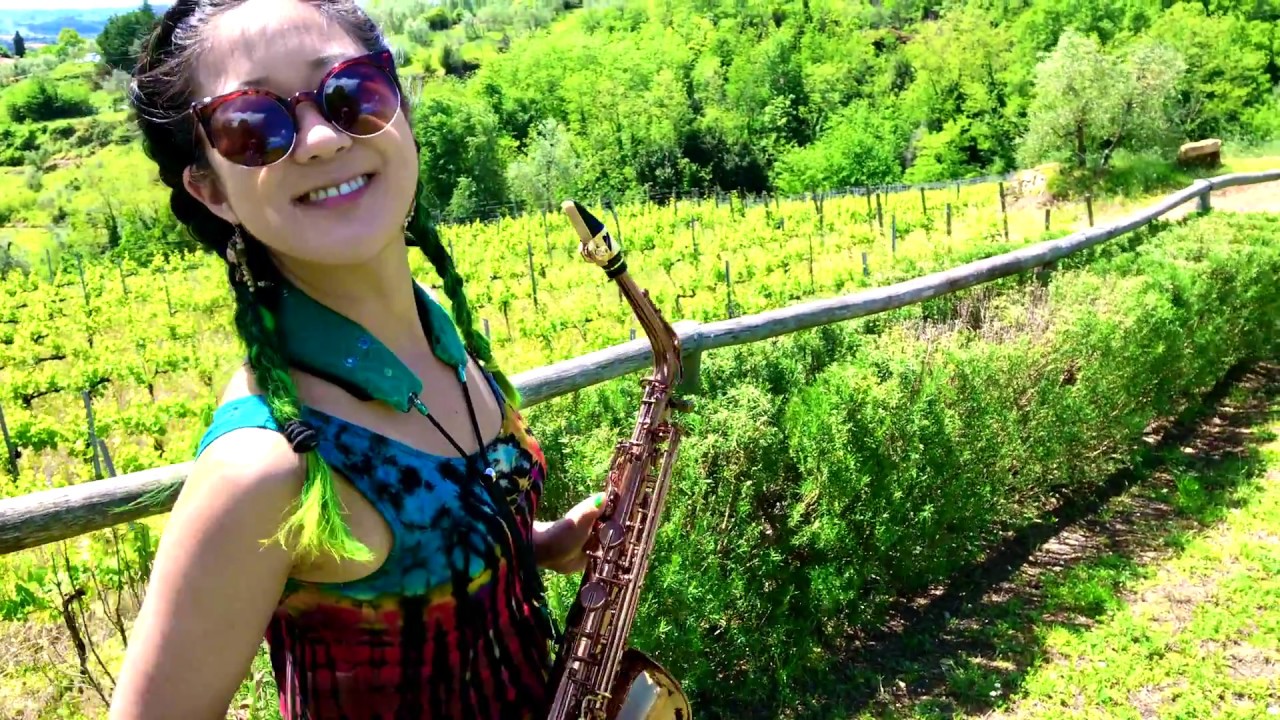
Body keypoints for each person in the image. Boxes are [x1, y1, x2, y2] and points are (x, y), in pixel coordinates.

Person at [109, 1, 605, 718]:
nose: (319, 138)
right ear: (211, 190)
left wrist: (541, 544)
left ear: (398, 107)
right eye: (253, 125)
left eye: (350, 91)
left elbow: (436, 536)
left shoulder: (439, 332)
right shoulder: (264, 467)